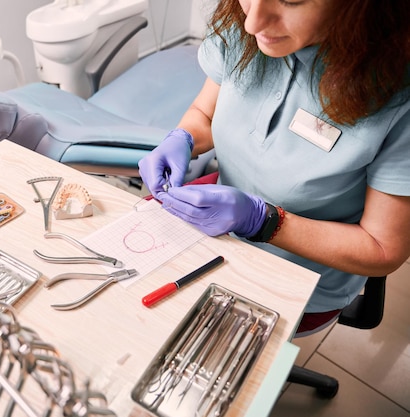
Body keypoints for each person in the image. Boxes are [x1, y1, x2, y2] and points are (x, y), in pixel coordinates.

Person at [138, 0, 410, 336]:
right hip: (217, 230)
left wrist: (264, 221)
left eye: (291, 1)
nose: (252, 24)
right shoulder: (242, 27)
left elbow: (383, 249)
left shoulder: (400, 97)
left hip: (299, 278)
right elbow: (205, 115)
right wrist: (182, 137)